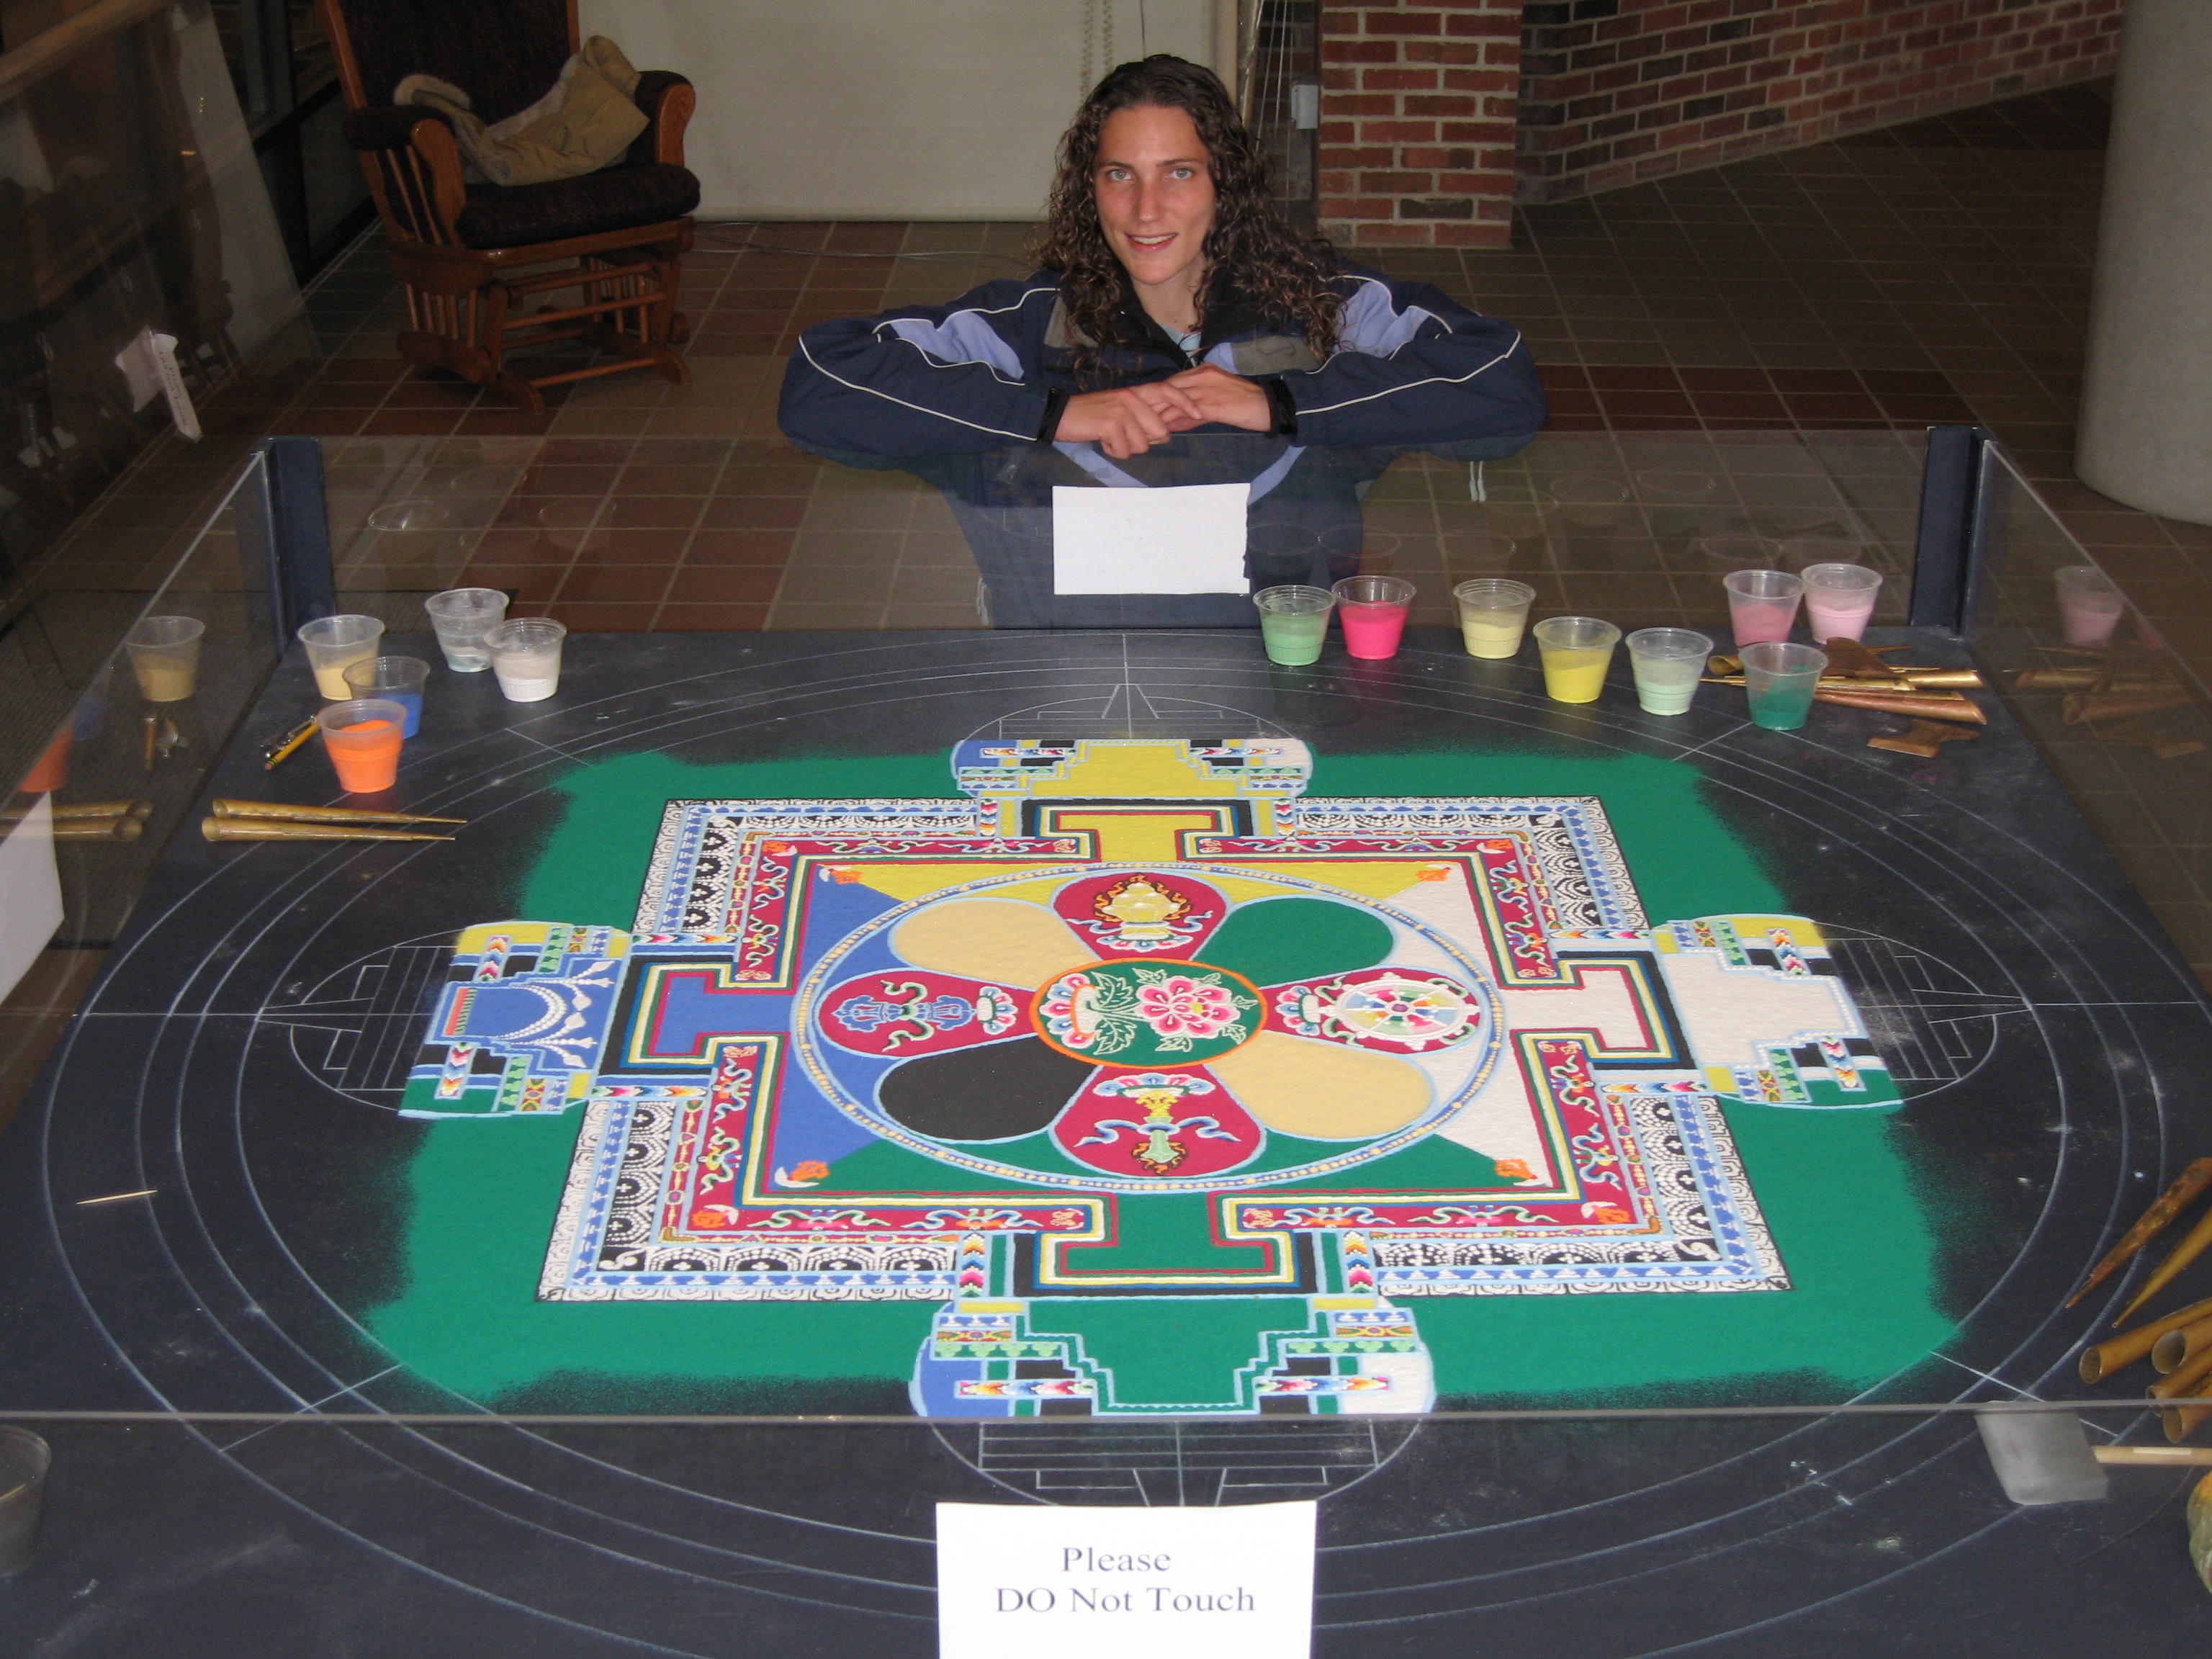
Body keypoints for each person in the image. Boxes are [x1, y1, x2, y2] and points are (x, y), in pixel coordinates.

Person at [778, 54, 1545, 627]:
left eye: (1179, 171)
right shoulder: (1026, 323)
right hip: (1056, 680)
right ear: (1091, 188)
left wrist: (1279, 402)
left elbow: (1502, 381)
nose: (1146, 209)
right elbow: (821, 380)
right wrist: (1052, 415)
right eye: (1120, 175)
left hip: (1289, 670)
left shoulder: (1324, 310)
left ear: (1226, 184)